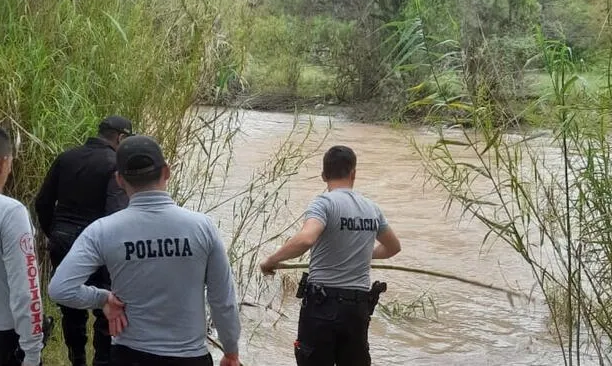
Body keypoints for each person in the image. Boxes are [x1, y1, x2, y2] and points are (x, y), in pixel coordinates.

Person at [48, 135, 242, 366]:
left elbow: (60, 289)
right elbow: (223, 301)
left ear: (119, 179)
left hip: (129, 356)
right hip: (190, 357)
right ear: (167, 172)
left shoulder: (102, 230)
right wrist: (231, 351)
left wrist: (102, 299)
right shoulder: (202, 227)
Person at [259, 145, 402, 366]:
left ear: (324, 175)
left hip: (322, 306)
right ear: (354, 173)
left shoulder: (323, 203)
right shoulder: (372, 208)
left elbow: (306, 239)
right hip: (358, 307)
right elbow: (393, 248)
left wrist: (271, 261)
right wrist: (361, 253)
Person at [34, 115, 134, 366]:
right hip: (99, 246)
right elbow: (117, 214)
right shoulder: (115, 165)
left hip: (63, 240)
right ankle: (101, 360)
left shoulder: (67, 157)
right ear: (120, 138)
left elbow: (43, 202)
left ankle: (77, 360)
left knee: (72, 308)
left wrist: (54, 234)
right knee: (106, 309)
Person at [0, 121, 45, 366]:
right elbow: (26, 290)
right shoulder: (9, 212)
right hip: (0, 340)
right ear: (3, 163)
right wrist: (33, 352)